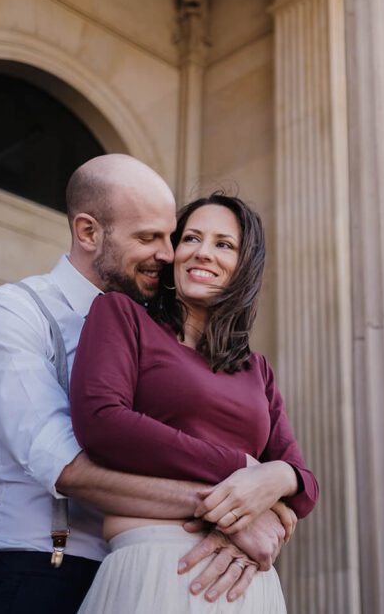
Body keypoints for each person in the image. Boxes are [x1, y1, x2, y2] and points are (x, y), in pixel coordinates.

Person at [0, 155, 291, 613]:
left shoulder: (161, 332)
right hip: (48, 571)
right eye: (148, 238)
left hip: (159, 569)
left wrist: (276, 481)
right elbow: (69, 468)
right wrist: (236, 506)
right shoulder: (12, 313)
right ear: (88, 233)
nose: (168, 252)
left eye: (169, 236)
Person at [69, 193, 318, 612]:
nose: (203, 253)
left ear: (245, 266)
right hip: (156, 567)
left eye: (224, 244)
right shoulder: (123, 317)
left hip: (246, 583)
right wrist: (246, 472)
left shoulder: (255, 368)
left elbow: (304, 487)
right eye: (191, 238)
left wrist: (281, 478)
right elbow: (103, 423)